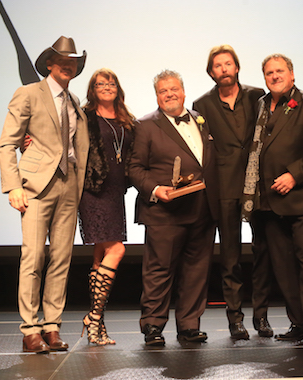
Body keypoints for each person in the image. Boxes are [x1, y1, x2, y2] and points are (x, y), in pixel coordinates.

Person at [0, 36, 89, 353]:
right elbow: (7, 143)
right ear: (49, 63)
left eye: (73, 60)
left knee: (61, 260)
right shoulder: (29, 93)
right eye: (62, 58)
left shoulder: (75, 100)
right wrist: (13, 186)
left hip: (68, 185)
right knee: (33, 257)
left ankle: (51, 325)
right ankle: (30, 329)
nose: (68, 63)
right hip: (36, 186)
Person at [242, 54, 303, 345]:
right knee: (283, 266)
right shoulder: (260, 105)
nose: (274, 76)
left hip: (302, 196)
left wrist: (294, 175)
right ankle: (299, 322)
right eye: (269, 72)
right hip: (267, 201)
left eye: (279, 71)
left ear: (292, 74)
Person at [127, 70, 219, 346]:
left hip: (202, 209)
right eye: (163, 91)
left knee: (196, 271)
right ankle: (153, 326)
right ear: (157, 96)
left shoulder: (201, 120)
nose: (169, 94)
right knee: (159, 271)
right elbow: (134, 168)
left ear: (183, 91)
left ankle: (189, 325)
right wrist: (156, 189)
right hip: (164, 213)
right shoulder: (145, 125)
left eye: (174, 89)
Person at [192, 45, 273, 340]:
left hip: (258, 184)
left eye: (228, 64)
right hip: (224, 185)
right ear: (211, 72)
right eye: (218, 65)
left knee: (263, 252)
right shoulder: (202, 105)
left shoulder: (257, 97)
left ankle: (261, 316)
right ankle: (234, 319)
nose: (224, 69)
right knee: (230, 256)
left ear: (237, 67)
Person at [78, 68, 135, 345]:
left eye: (111, 82)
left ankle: (96, 325)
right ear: (93, 89)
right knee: (117, 249)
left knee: (101, 254)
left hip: (116, 192)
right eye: (101, 83)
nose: (107, 86)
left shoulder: (127, 119)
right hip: (93, 189)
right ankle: (93, 317)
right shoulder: (85, 117)